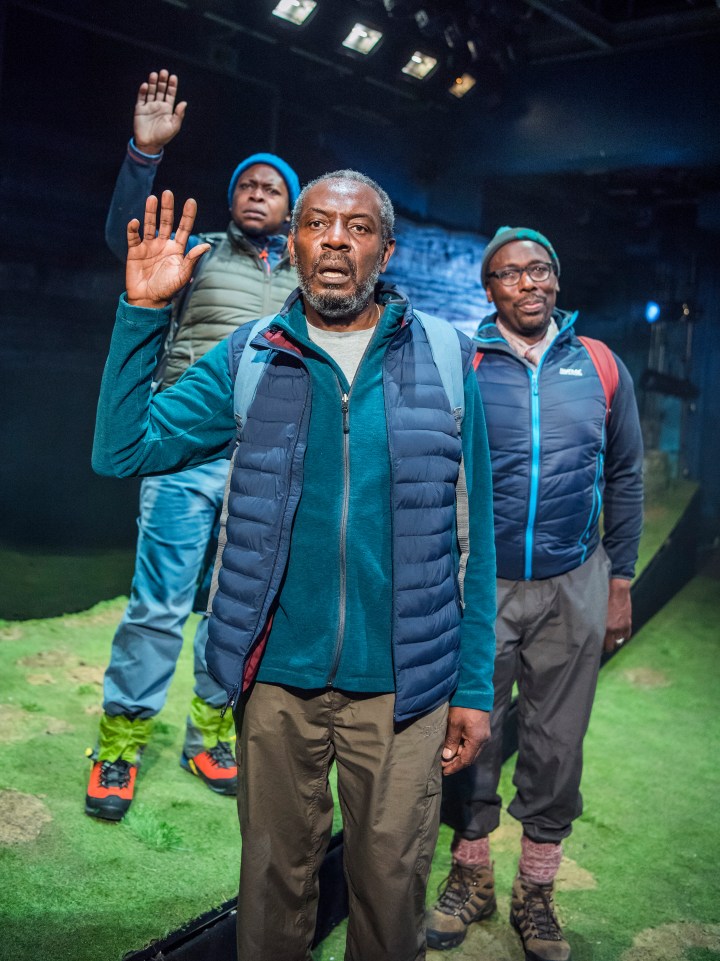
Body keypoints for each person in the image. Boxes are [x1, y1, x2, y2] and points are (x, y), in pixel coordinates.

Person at [92, 171, 497, 960]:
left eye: (356, 227)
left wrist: (473, 687)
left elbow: (471, 541)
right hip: (276, 680)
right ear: (296, 242)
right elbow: (124, 447)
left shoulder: (448, 356)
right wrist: (143, 314)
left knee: (390, 896)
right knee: (273, 893)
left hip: (404, 687)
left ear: (386, 249)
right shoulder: (248, 356)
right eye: (316, 224)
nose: (336, 240)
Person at [85, 69, 300, 822]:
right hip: (185, 450)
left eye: (274, 187)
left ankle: (209, 731)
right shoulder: (197, 252)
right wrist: (144, 157)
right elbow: (126, 239)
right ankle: (119, 743)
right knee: (158, 604)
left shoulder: (310, 281)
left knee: (237, 605)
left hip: (268, 465)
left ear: (293, 208)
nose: (258, 193)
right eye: (248, 183)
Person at [426, 226, 644, 961]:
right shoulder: (462, 364)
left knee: (557, 744)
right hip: (481, 587)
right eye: (512, 274)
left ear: (556, 279)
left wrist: (620, 580)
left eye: (541, 270)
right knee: (469, 734)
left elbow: (626, 477)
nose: (530, 283)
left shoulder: (601, 365)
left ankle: (537, 891)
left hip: (574, 581)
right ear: (488, 289)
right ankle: (472, 877)